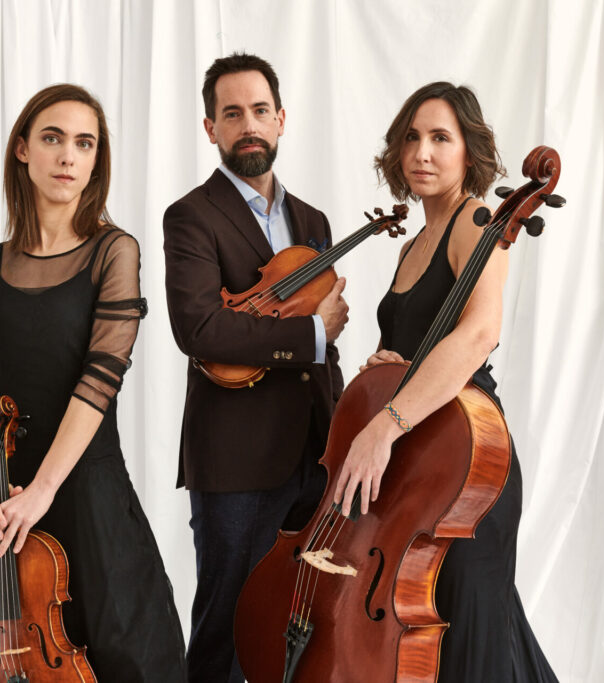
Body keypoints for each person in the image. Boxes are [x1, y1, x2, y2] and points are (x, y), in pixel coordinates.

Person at [0, 83, 186, 682]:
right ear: (23, 149)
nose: (68, 156)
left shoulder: (113, 251)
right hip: (2, 485)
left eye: (85, 144)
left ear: (96, 161)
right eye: (53, 138)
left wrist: (41, 492)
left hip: (83, 484)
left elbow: (100, 380)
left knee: (123, 651)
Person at [333, 81, 557, 682]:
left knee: (472, 638)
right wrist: (389, 371)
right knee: (438, 632)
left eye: (440, 138)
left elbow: (478, 333)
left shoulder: (476, 221)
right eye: (411, 138)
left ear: (468, 151)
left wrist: (385, 424)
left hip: (465, 457)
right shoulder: (412, 246)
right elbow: (419, 348)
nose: (422, 153)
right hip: (422, 461)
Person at [163, 52, 348, 682]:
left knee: (303, 621)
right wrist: (309, 334)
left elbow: (327, 346)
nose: (248, 125)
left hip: (317, 455)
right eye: (232, 113)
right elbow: (200, 329)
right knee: (228, 624)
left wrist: (344, 431)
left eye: (260, 110)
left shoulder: (313, 221)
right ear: (210, 127)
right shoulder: (190, 216)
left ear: (281, 120)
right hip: (236, 459)